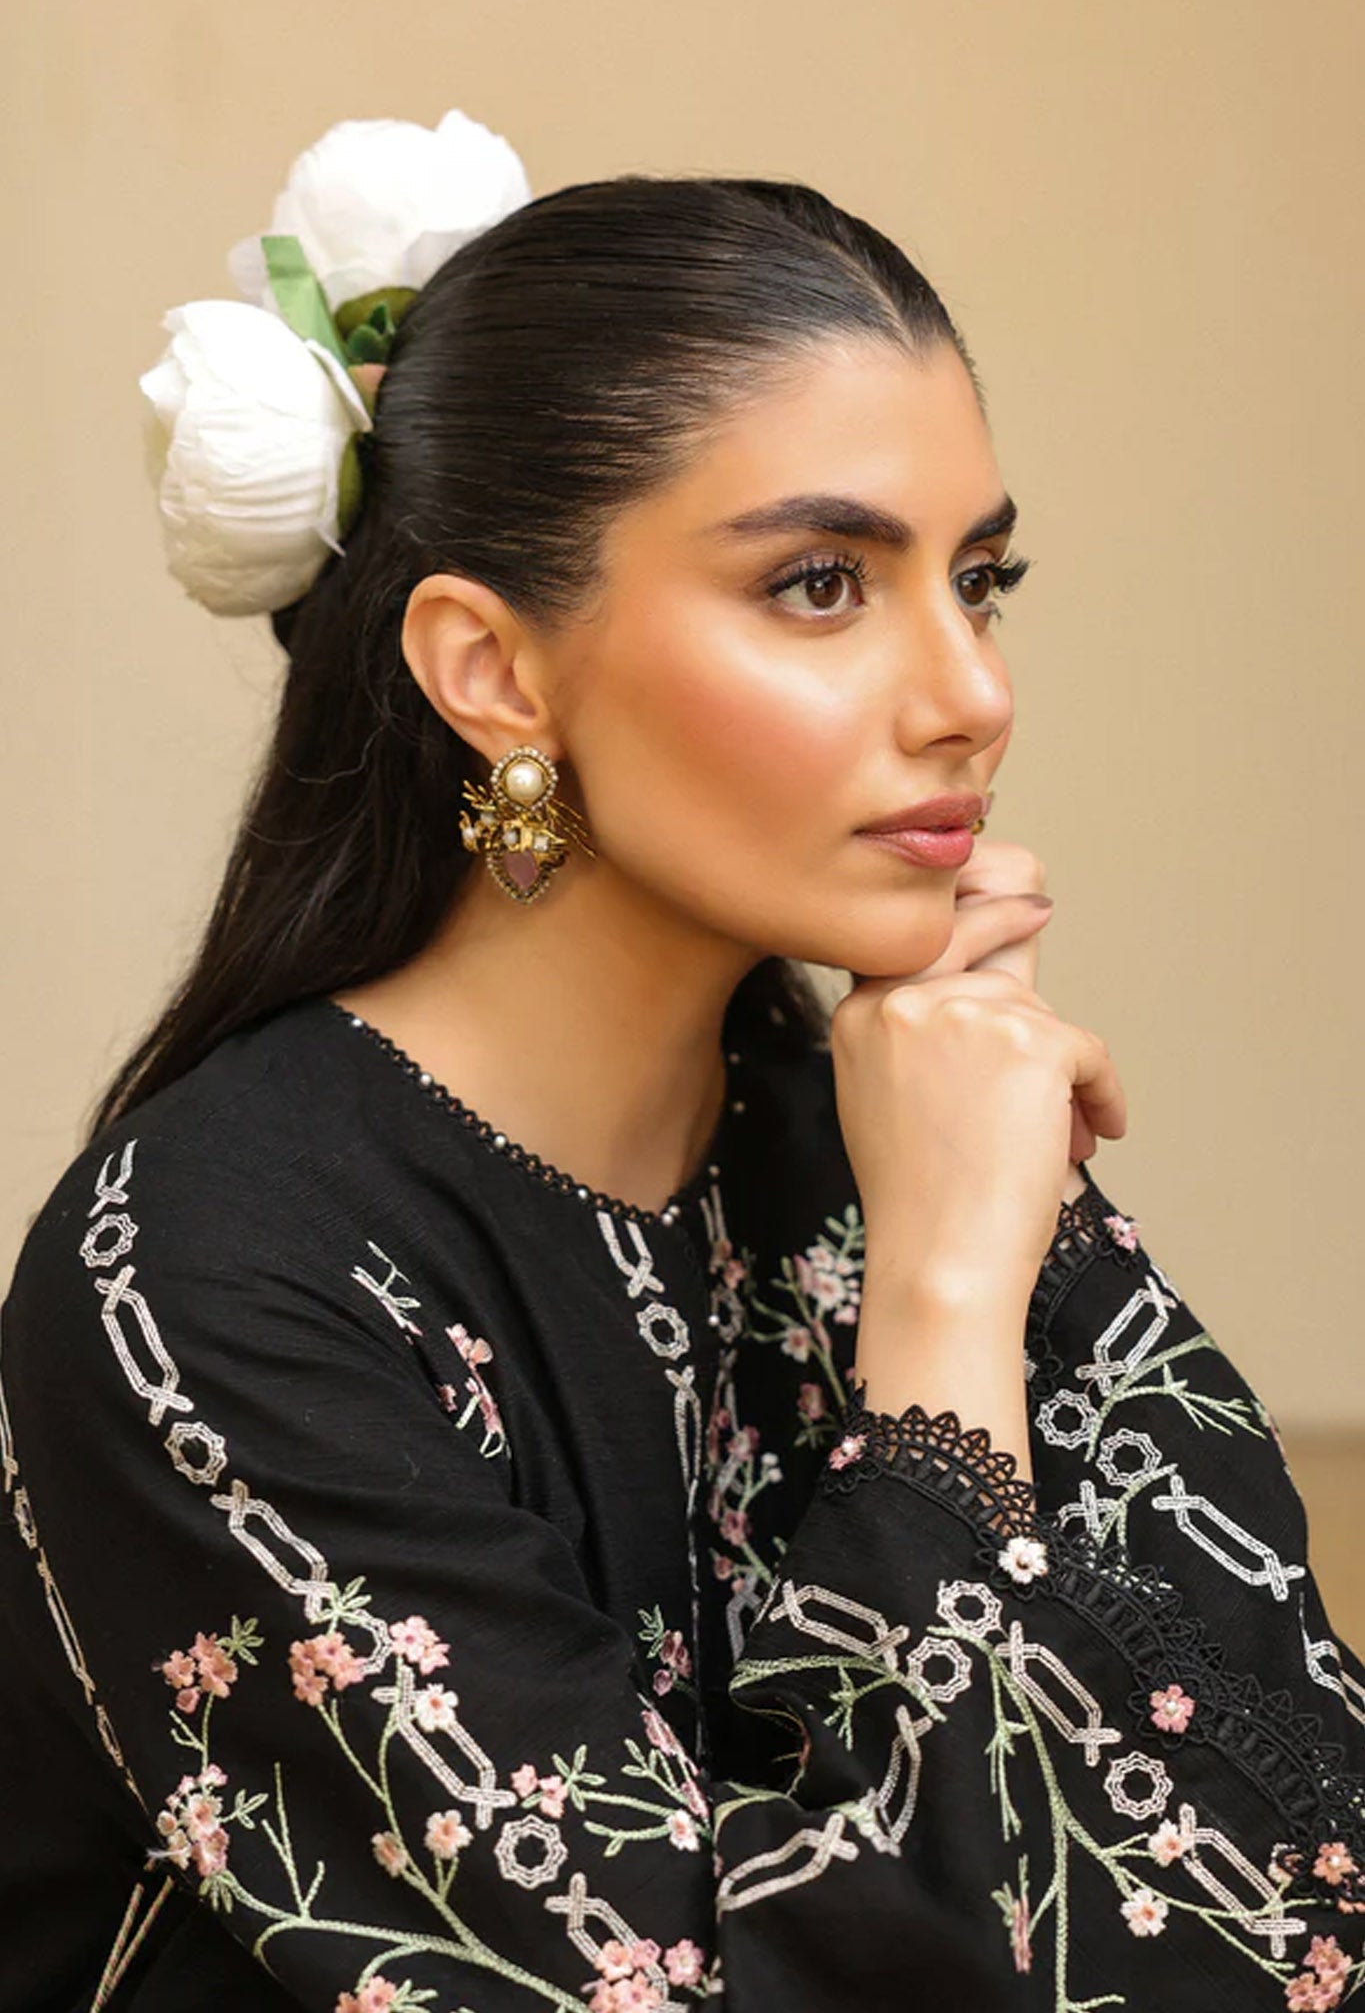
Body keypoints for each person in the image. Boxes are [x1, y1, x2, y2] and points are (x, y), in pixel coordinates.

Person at [1, 109, 1361, 2013]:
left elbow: (1298, 1852)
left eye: (980, 578)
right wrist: (944, 1309)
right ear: (493, 672)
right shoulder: (211, 1269)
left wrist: (967, 1240)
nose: (972, 694)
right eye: (819, 583)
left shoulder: (893, 1125)